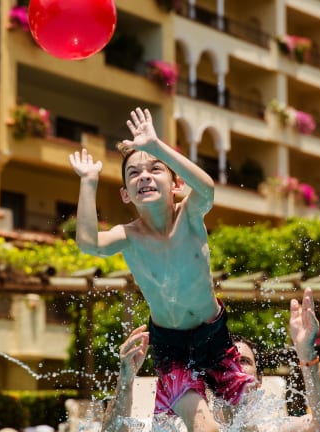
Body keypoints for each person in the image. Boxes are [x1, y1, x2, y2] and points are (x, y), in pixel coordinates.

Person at [69, 107, 254, 432]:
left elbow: (207, 189)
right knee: (206, 428)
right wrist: (88, 182)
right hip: (170, 346)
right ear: (125, 194)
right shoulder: (129, 236)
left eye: (155, 169)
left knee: (248, 423)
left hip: (214, 336)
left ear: (177, 184)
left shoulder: (190, 216)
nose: (144, 176)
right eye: (133, 174)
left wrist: (156, 145)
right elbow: (88, 243)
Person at [102, 288, 320, 432]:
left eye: (244, 362)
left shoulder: (269, 428)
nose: (233, 369)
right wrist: (126, 380)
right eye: (225, 363)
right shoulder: (177, 424)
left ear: (258, 381)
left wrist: (306, 353)